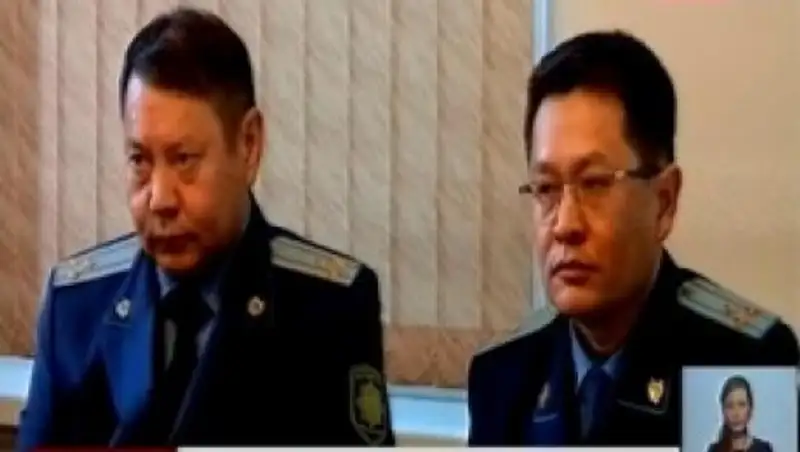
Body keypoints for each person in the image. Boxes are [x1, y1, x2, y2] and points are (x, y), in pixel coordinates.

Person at [17, 7, 394, 450]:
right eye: (140, 160)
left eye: (184, 160)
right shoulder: (76, 307)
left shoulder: (327, 312)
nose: (160, 198)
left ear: (248, 145)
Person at [466, 30, 800, 446]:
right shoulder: (502, 374)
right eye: (546, 188)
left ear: (663, 202)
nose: (565, 225)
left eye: (594, 183)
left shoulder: (742, 359)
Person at [706, 376, 772, 452]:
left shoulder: (763, 449)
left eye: (742, 405)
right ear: (723, 411)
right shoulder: (714, 450)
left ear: (750, 409)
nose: (736, 413)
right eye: (730, 406)